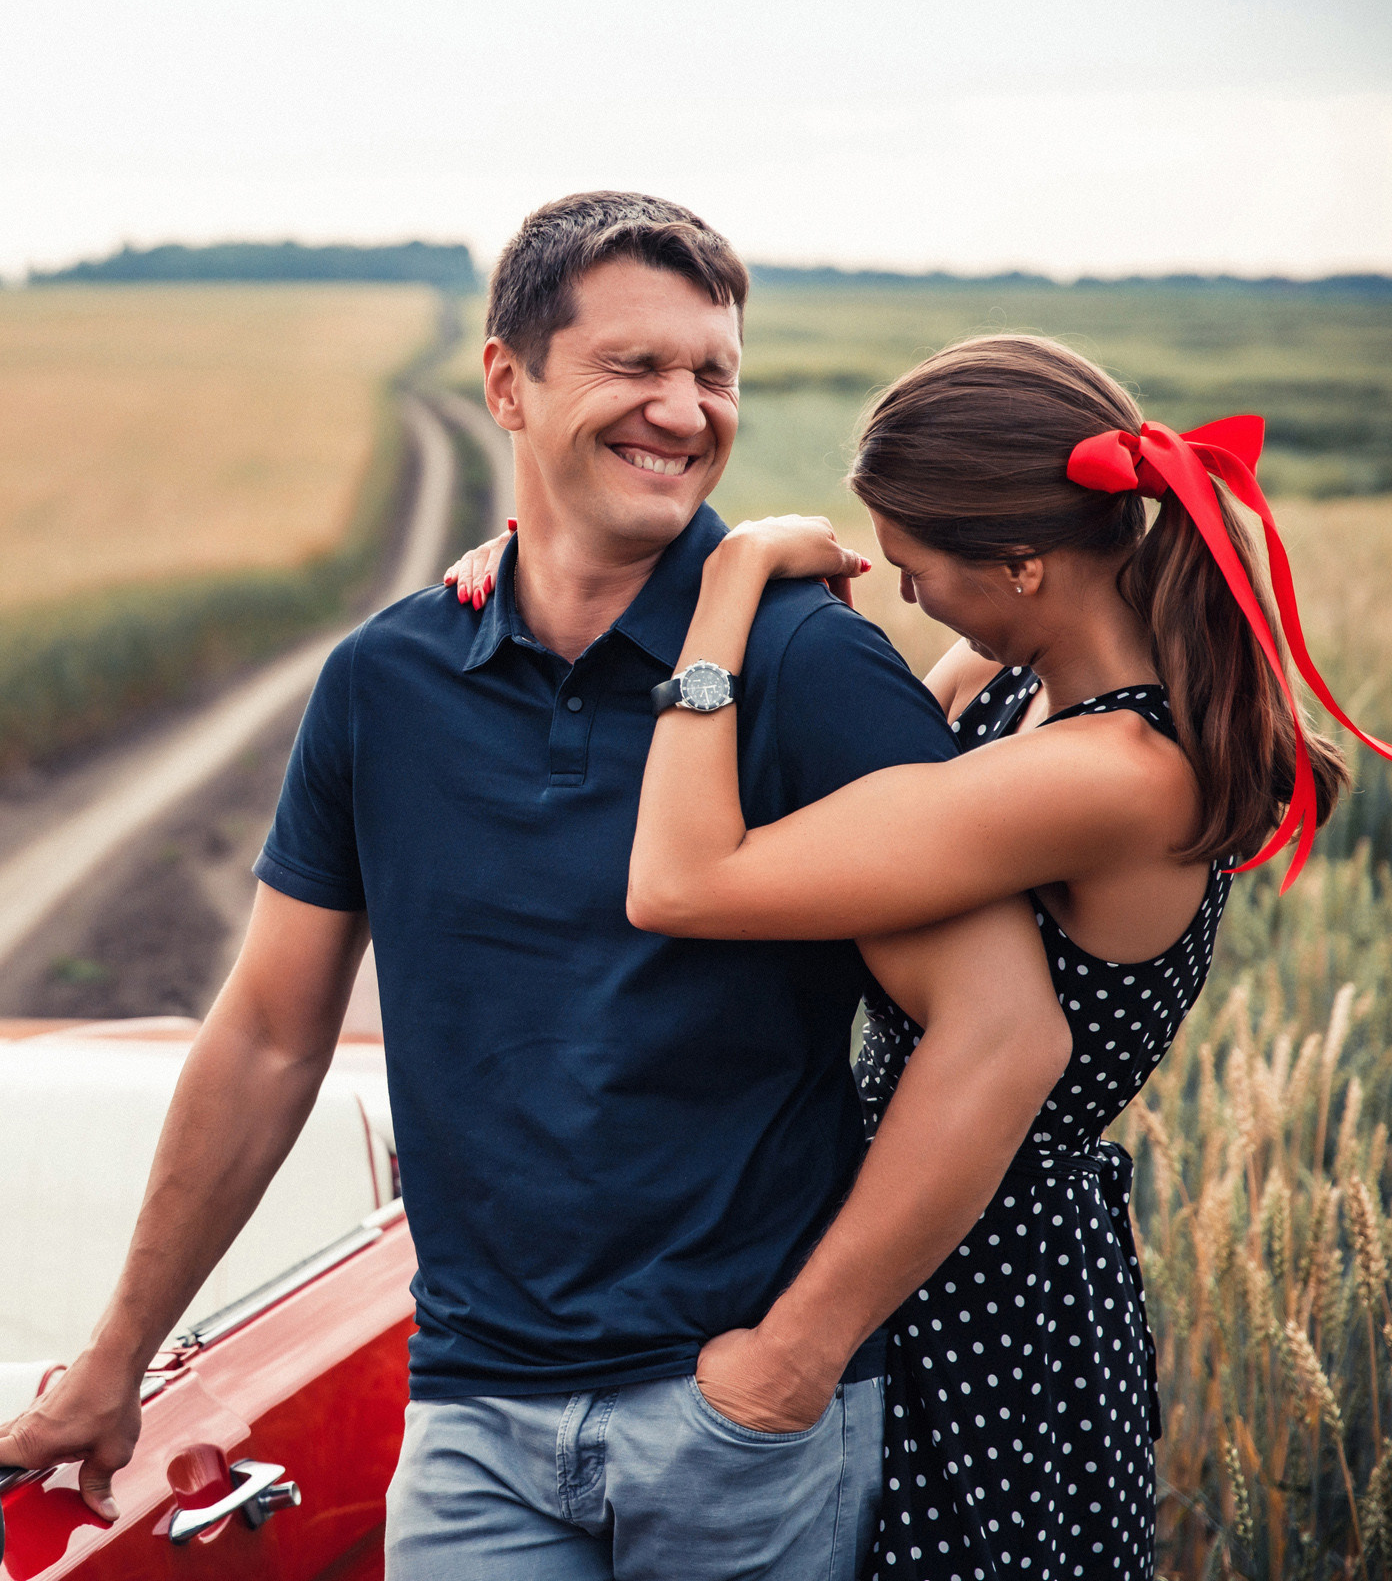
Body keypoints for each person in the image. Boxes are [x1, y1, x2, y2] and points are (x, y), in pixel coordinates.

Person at [0, 190, 1074, 1581]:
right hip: (474, 1426)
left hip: (733, 1425)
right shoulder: (385, 683)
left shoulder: (808, 667)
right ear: (507, 378)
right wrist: (114, 1358)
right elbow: (263, 1037)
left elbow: (1001, 1028)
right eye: (635, 366)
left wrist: (797, 1355)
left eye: (714, 373)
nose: (683, 410)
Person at [442, 332, 1378, 1577]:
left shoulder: (1112, 774)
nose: (899, 586)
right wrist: (550, 574)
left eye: (916, 564)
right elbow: (835, 768)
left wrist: (725, 590)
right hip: (925, 1243)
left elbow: (686, 879)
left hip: (976, 1279)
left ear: (1026, 564)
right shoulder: (1016, 670)